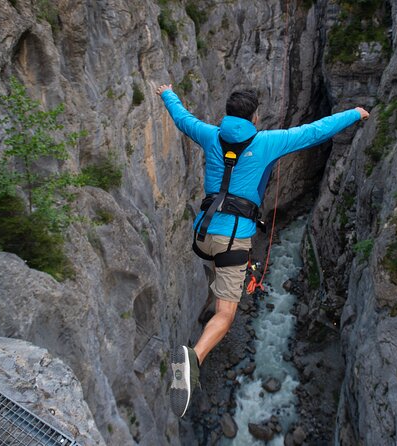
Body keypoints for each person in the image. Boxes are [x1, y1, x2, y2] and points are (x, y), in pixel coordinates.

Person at [156, 84, 369, 417]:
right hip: (232, 242)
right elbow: (314, 131)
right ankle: (191, 361)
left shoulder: (210, 135)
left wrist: (167, 93)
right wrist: (354, 114)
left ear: (228, 114)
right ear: (254, 116)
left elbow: (182, 119)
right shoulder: (266, 142)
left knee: (219, 273)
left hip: (203, 235)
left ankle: (215, 295)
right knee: (226, 317)